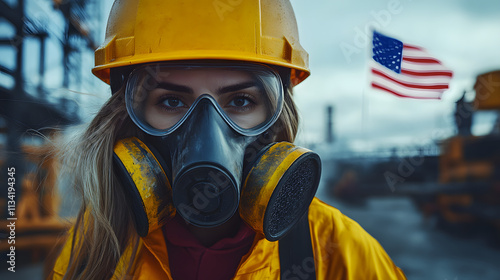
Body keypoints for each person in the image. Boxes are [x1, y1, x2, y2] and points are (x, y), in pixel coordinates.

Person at [50, 0, 407, 279]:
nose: (208, 132)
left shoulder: (336, 248)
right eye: (172, 101)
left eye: (240, 101)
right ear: (129, 118)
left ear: (277, 117)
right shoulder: (95, 249)